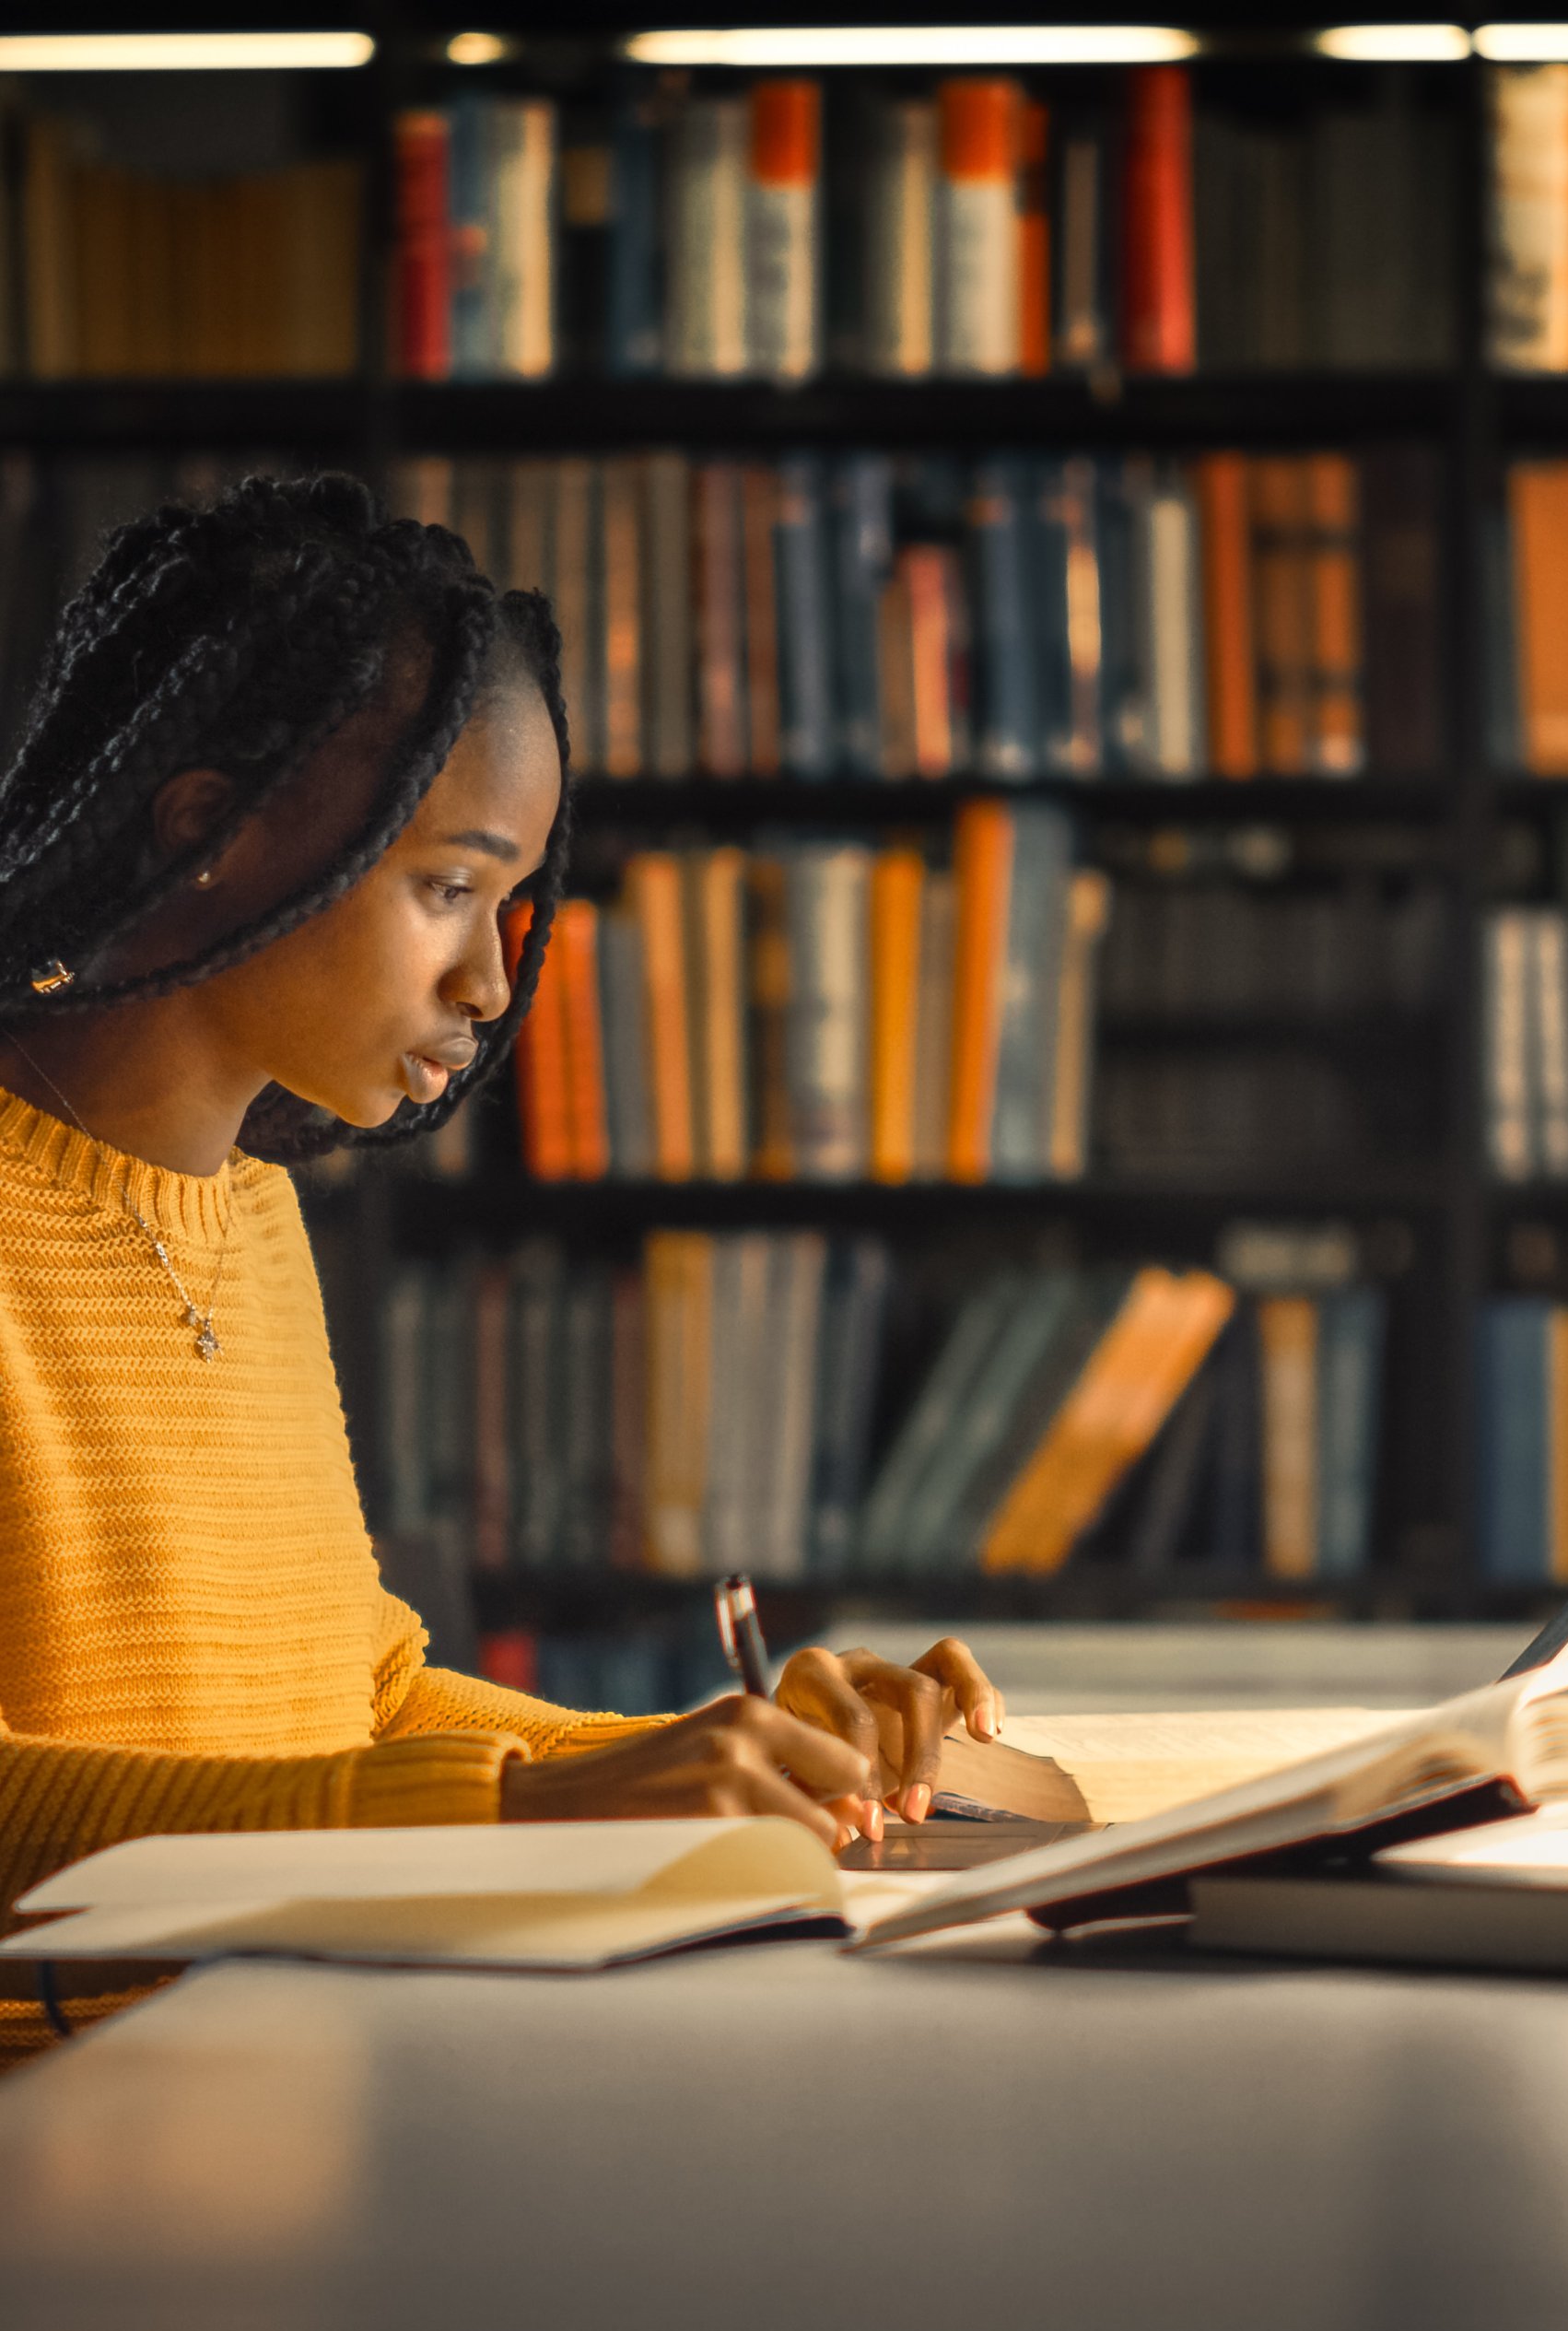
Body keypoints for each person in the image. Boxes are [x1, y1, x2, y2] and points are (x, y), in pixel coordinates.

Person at [0, 474, 1000, 2034]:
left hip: (265, 2077)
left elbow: (366, 1703)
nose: (487, 983)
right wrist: (520, 1819)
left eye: (512, 904)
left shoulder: (244, 1212)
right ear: (209, 830)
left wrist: (715, 1753)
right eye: (449, 888)